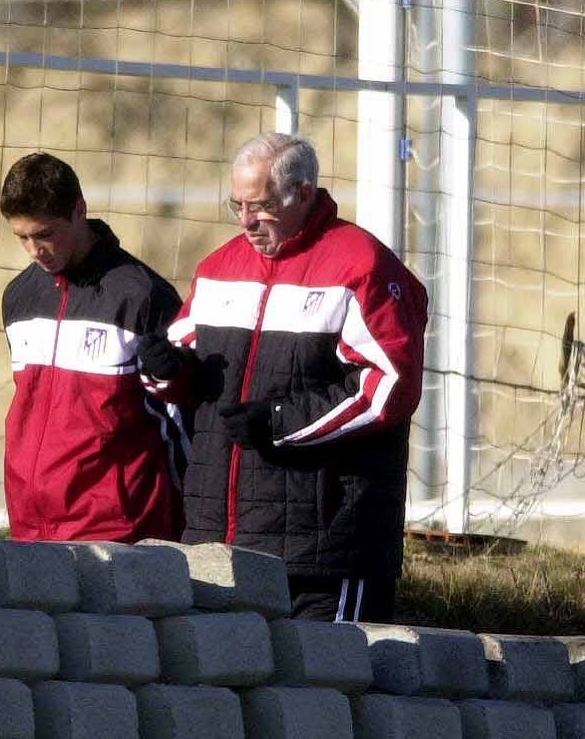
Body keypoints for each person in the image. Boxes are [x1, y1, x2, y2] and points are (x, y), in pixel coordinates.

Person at [138, 132, 428, 622]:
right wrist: (165, 371)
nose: (248, 222)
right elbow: (190, 372)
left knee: (327, 692)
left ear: (305, 194)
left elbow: (389, 388)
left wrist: (279, 422)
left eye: (263, 206)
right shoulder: (219, 267)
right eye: (238, 206)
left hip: (327, 550)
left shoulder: (362, 267)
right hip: (221, 543)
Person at [0, 152, 187, 543]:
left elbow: (179, 425)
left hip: (117, 532)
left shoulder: (143, 297)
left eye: (45, 234)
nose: (35, 250)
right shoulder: (19, 297)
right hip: (29, 529)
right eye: (22, 237)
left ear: (79, 211)